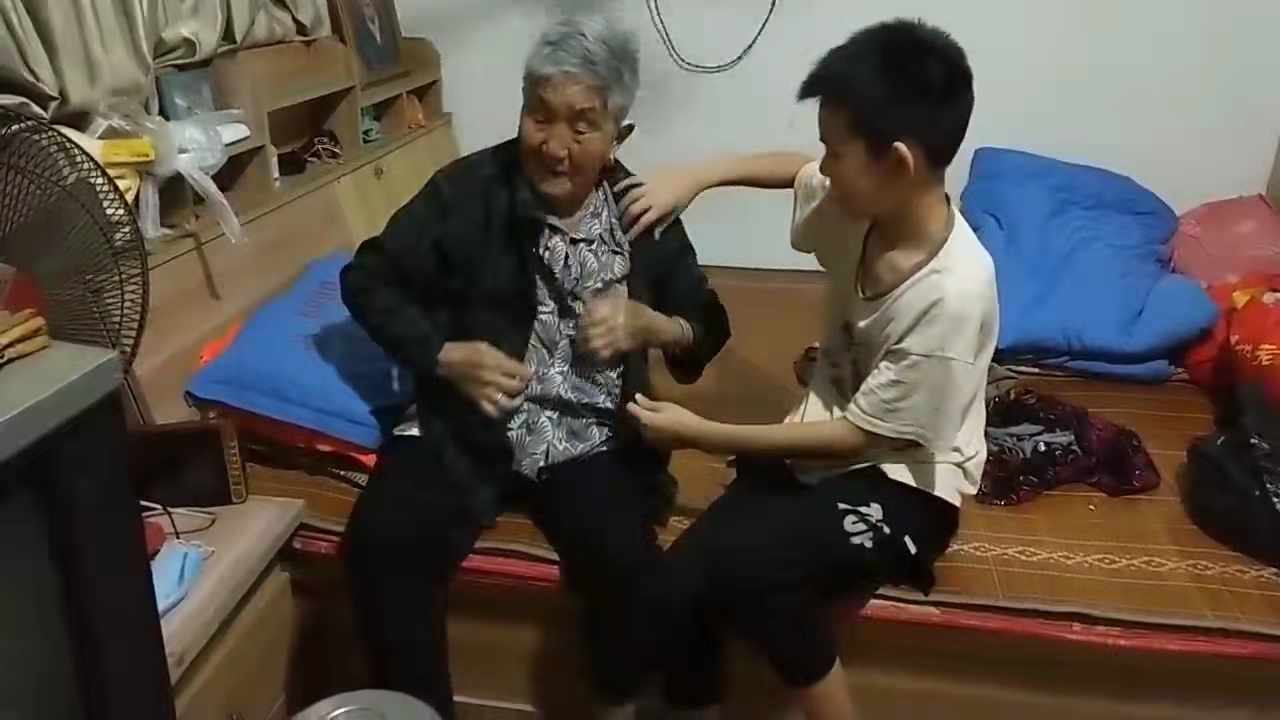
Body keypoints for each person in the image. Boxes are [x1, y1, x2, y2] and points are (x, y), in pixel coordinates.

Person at [339, 16, 731, 720]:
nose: (553, 145)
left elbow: (707, 324)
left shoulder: (642, 212)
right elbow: (368, 279)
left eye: (582, 126)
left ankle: (614, 702)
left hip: (591, 441)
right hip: (466, 426)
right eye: (539, 116)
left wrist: (657, 325)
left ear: (618, 137)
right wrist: (442, 353)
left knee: (636, 578)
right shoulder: (467, 189)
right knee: (380, 547)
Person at [617, 19, 996, 720]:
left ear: (897, 163)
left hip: (905, 480)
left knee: (760, 573)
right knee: (676, 589)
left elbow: (857, 438)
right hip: (824, 442)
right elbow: (793, 169)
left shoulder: (955, 293)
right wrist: (697, 177)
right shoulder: (864, 202)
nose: (822, 167)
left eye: (835, 151)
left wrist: (701, 432)